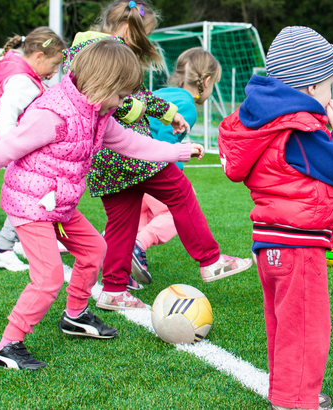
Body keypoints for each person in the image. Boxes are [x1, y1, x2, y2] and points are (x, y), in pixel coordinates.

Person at [0, 40, 205, 370]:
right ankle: (7, 345)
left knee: (95, 250)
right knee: (48, 278)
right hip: (31, 205)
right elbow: (2, 150)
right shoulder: (52, 115)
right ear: (103, 85)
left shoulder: (98, 113)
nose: (125, 103)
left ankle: (75, 316)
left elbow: (130, 143)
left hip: (59, 205)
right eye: (122, 96)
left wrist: (178, 151)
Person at [63, 0, 251, 312]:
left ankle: (112, 289)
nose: (144, 41)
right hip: (129, 151)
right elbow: (113, 100)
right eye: (145, 33)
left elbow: (132, 96)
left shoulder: (85, 49)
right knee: (180, 192)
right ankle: (210, 259)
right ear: (127, 28)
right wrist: (143, 111)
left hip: (104, 159)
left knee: (123, 222)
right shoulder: (108, 51)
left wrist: (168, 113)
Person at [218, 26, 333, 410]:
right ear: (311, 87)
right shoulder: (299, 128)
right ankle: (295, 402)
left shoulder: (268, 123)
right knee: (307, 329)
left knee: (283, 327)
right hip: (297, 247)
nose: (332, 94)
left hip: (270, 242)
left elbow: (292, 179)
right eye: (329, 84)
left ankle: (287, 393)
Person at [125, 47, 222, 287]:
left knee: (140, 213)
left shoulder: (160, 93)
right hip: (151, 168)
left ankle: (124, 260)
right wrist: (174, 176)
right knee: (176, 209)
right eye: (214, 84)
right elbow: (166, 139)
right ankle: (138, 245)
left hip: (129, 165)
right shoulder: (186, 105)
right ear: (206, 81)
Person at [0, 27, 67, 272]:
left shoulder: (24, 75)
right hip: (22, 152)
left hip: (22, 151)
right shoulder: (23, 81)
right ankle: (3, 249)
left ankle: (11, 246)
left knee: (32, 197)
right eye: (54, 65)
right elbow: (7, 117)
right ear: (39, 57)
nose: (54, 72)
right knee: (29, 198)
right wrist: (14, 147)